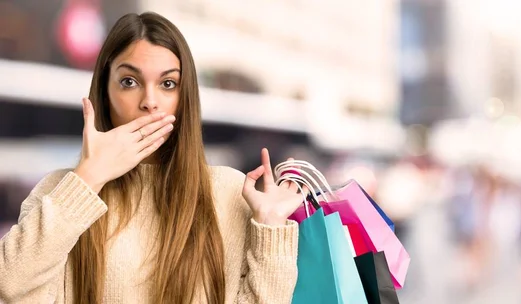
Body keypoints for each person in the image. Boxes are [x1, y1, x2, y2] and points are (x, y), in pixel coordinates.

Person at [0, 12, 307, 304]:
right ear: (104, 92)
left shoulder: (230, 192)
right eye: (129, 82)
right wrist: (89, 178)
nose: (149, 101)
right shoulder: (61, 191)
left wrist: (270, 226)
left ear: (184, 96)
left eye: (167, 84)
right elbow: (9, 287)